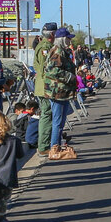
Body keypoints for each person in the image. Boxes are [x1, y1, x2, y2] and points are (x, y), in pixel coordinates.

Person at [43, 28, 79, 159]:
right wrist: (69, 76)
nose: (70, 41)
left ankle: (56, 146)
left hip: (62, 91)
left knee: (61, 121)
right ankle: (54, 148)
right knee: (57, 122)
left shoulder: (63, 51)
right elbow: (52, 71)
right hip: (56, 91)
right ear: (62, 39)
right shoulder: (57, 51)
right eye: (68, 38)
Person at [33, 22, 58, 151]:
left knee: (48, 114)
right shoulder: (45, 47)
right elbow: (45, 68)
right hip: (45, 87)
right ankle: (43, 146)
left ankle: (46, 142)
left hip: (45, 86)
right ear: (52, 34)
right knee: (47, 115)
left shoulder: (46, 46)